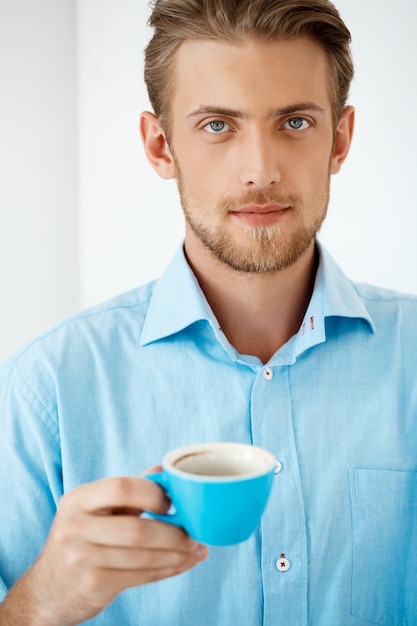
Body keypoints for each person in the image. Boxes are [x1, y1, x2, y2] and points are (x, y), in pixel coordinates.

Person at [0, 0, 416, 624]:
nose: (261, 171)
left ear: (341, 139)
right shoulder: (48, 388)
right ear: (160, 146)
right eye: (219, 125)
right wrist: (41, 603)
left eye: (295, 123)